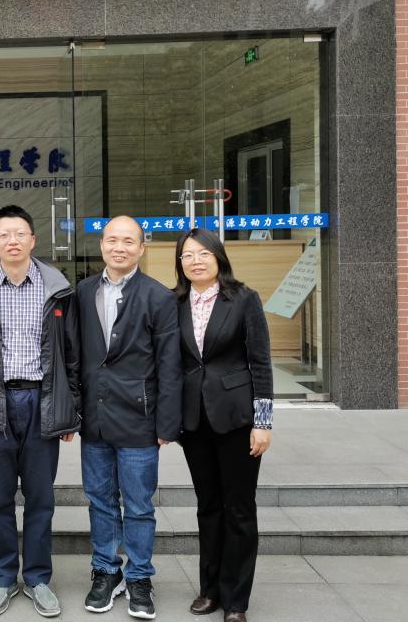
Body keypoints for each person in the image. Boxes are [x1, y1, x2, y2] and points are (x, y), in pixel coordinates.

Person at [0, 204, 81, 619]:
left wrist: (70, 410)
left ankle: (39, 578)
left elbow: (72, 355)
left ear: (32, 240)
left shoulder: (57, 288)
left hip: (42, 402)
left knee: (41, 498)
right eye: (4, 235)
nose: (12, 241)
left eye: (20, 233)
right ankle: (3, 578)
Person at [76, 215, 182, 620]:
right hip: (95, 418)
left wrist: (167, 423)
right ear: (101, 244)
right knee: (99, 500)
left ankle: (139, 577)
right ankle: (106, 571)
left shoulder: (159, 296)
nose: (118, 247)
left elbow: (169, 365)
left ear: (141, 248)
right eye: (112, 240)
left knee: (138, 505)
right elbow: (77, 355)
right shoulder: (83, 291)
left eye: (127, 241)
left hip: (140, 419)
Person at [173, 228, 273, 622]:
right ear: (180, 263)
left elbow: (260, 363)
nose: (195, 261)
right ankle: (210, 590)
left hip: (237, 419)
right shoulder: (174, 302)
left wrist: (263, 422)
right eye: (187, 255)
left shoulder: (243, 298)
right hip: (194, 421)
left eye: (203, 253)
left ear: (218, 256)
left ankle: (236, 600)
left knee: (239, 509)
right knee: (208, 506)